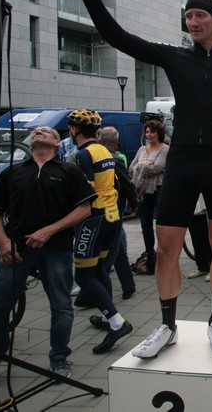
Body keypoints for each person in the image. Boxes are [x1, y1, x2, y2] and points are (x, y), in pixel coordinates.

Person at [72, 0, 212, 359]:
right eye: (188, 17)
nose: (193, 22)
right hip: (182, 162)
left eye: (200, 16)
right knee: (166, 247)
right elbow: (117, 36)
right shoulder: (175, 57)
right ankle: (167, 326)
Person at [0, 126, 96, 378]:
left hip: (56, 250)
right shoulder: (13, 172)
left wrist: (49, 230)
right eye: (35, 131)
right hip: (16, 249)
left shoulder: (68, 171)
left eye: (45, 131)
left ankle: (59, 358)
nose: (38, 131)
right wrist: (2, 242)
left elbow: (84, 209)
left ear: (57, 143)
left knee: (61, 306)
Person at [67, 110, 134, 354]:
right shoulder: (104, 151)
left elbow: (85, 191)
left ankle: (116, 322)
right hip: (112, 215)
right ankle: (107, 317)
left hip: (93, 218)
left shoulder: (83, 155)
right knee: (99, 269)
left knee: (84, 276)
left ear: (74, 130)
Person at [80, 126, 136, 313]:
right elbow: (126, 183)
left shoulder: (106, 157)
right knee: (116, 247)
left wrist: (133, 203)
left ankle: (93, 295)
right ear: (115, 141)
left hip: (108, 210)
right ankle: (126, 286)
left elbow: (125, 183)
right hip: (111, 209)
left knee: (108, 254)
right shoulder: (108, 156)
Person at [129, 119, 169, 276]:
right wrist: (145, 167)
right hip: (143, 192)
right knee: (145, 227)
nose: (149, 134)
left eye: (152, 132)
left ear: (159, 133)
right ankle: (150, 259)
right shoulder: (141, 149)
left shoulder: (164, 149)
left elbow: (157, 168)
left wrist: (142, 167)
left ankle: (164, 257)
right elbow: (131, 168)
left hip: (158, 190)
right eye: (147, 132)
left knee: (162, 226)